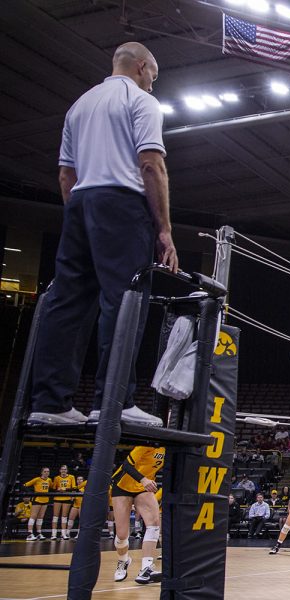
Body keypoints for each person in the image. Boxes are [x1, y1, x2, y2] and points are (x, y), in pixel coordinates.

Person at [27, 42, 176, 426]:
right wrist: (164, 230)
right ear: (142, 67)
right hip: (122, 204)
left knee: (68, 301)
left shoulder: (80, 105)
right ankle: (114, 401)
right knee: (124, 300)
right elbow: (150, 166)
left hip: (79, 203)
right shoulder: (141, 102)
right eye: (153, 78)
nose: (153, 87)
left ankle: (51, 402)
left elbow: (66, 176)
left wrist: (81, 219)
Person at [110, 446, 165, 584]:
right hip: (122, 485)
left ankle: (146, 568)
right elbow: (126, 465)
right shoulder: (146, 445)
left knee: (154, 523)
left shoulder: (168, 449)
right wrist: (143, 479)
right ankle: (123, 561)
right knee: (122, 535)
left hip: (143, 489)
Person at [24, 467, 52, 541]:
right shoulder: (37, 479)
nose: (46, 473)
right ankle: (29, 534)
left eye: (48, 471)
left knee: (41, 517)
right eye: (45, 471)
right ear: (42, 472)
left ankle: (39, 533)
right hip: (37, 500)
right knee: (33, 516)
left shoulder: (49, 480)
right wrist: (31, 493)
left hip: (45, 500)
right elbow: (25, 485)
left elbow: (52, 487)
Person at [50, 464, 76, 540]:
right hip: (57, 498)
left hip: (67, 498)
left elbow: (74, 487)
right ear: (60, 470)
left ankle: (63, 534)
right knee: (55, 517)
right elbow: (54, 488)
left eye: (65, 469)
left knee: (64, 517)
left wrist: (66, 489)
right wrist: (58, 489)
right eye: (62, 469)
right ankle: (53, 534)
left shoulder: (71, 477)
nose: (63, 471)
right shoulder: (56, 478)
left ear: (67, 470)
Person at [67, 475, 87, 540]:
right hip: (75, 505)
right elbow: (71, 499)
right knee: (70, 519)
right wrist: (73, 495)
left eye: (81, 479)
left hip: (82, 506)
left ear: (83, 480)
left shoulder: (85, 487)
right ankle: (67, 533)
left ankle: (79, 534)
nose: (79, 481)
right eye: (78, 479)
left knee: (81, 520)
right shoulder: (75, 488)